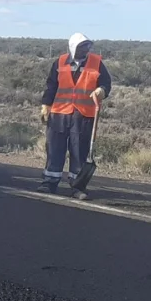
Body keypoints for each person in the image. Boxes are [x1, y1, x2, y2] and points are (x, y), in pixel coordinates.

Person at [38, 32, 111, 199]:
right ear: (73, 48)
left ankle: (77, 187)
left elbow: (106, 83)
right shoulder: (60, 62)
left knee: (79, 150)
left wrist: (102, 90)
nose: (85, 50)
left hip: (83, 115)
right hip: (59, 113)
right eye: (81, 47)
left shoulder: (97, 63)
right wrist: (45, 106)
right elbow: (51, 86)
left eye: (87, 46)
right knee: (55, 149)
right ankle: (49, 182)